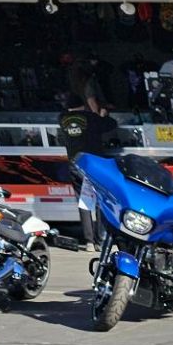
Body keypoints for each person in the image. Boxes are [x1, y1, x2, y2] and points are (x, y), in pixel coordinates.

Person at [59, 90, 121, 250]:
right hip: (93, 164)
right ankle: (100, 240)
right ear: (82, 105)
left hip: (75, 164)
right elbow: (111, 125)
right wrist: (103, 114)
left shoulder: (62, 119)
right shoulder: (91, 118)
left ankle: (88, 242)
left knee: (83, 201)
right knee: (101, 200)